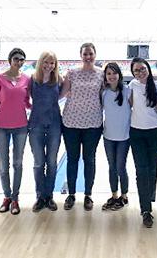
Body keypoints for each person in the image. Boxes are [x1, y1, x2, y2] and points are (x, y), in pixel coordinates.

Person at [60, 42, 104, 211]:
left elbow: (108, 95)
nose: (88, 57)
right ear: (81, 55)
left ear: (95, 55)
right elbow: (62, 94)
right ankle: (71, 194)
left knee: (89, 160)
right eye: (85, 54)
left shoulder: (101, 74)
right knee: (72, 160)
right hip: (71, 123)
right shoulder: (71, 73)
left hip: (93, 124)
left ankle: (88, 195)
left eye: (90, 53)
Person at [0, 48, 31, 215]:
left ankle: (15, 199)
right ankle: (6, 197)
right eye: (16, 58)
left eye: (22, 59)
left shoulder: (27, 79)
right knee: (3, 165)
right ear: (10, 60)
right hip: (2, 128)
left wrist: (42, 109)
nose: (19, 62)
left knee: (18, 163)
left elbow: (26, 102)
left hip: (21, 126)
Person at [128, 57, 157, 228]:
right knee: (141, 170)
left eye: (142, 68)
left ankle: (149, 196)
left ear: (148, 69)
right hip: (136, 133)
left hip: (155, 132)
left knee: (153, 168)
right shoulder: (132, 86)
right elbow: (128, 106)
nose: (140, 72)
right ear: (133, 73)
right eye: (136, 70)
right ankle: (146, 210)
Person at [28, 51, 63, 212]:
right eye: (46, 62)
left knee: (52, 162)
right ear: (40, 63)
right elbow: (24, 99)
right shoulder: (32, 80)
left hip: (55, 124)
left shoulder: (58, 79)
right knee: (38, 163)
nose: (49, 66)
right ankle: (40, 197)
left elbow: (63, 95)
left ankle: (49, 196)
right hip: (36, 125)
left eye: (52, 63)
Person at [101, 62, 131, 211]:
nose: (111, 76)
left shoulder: (127, 91)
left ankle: (124, 196)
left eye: (114, 73)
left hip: (124, 137)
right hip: (108, 136)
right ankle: (114, 196)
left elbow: (138, 107)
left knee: (120, 166)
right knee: (112, 167)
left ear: (119, 75)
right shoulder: (104, 92)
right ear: (105, 77)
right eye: (108, 74)